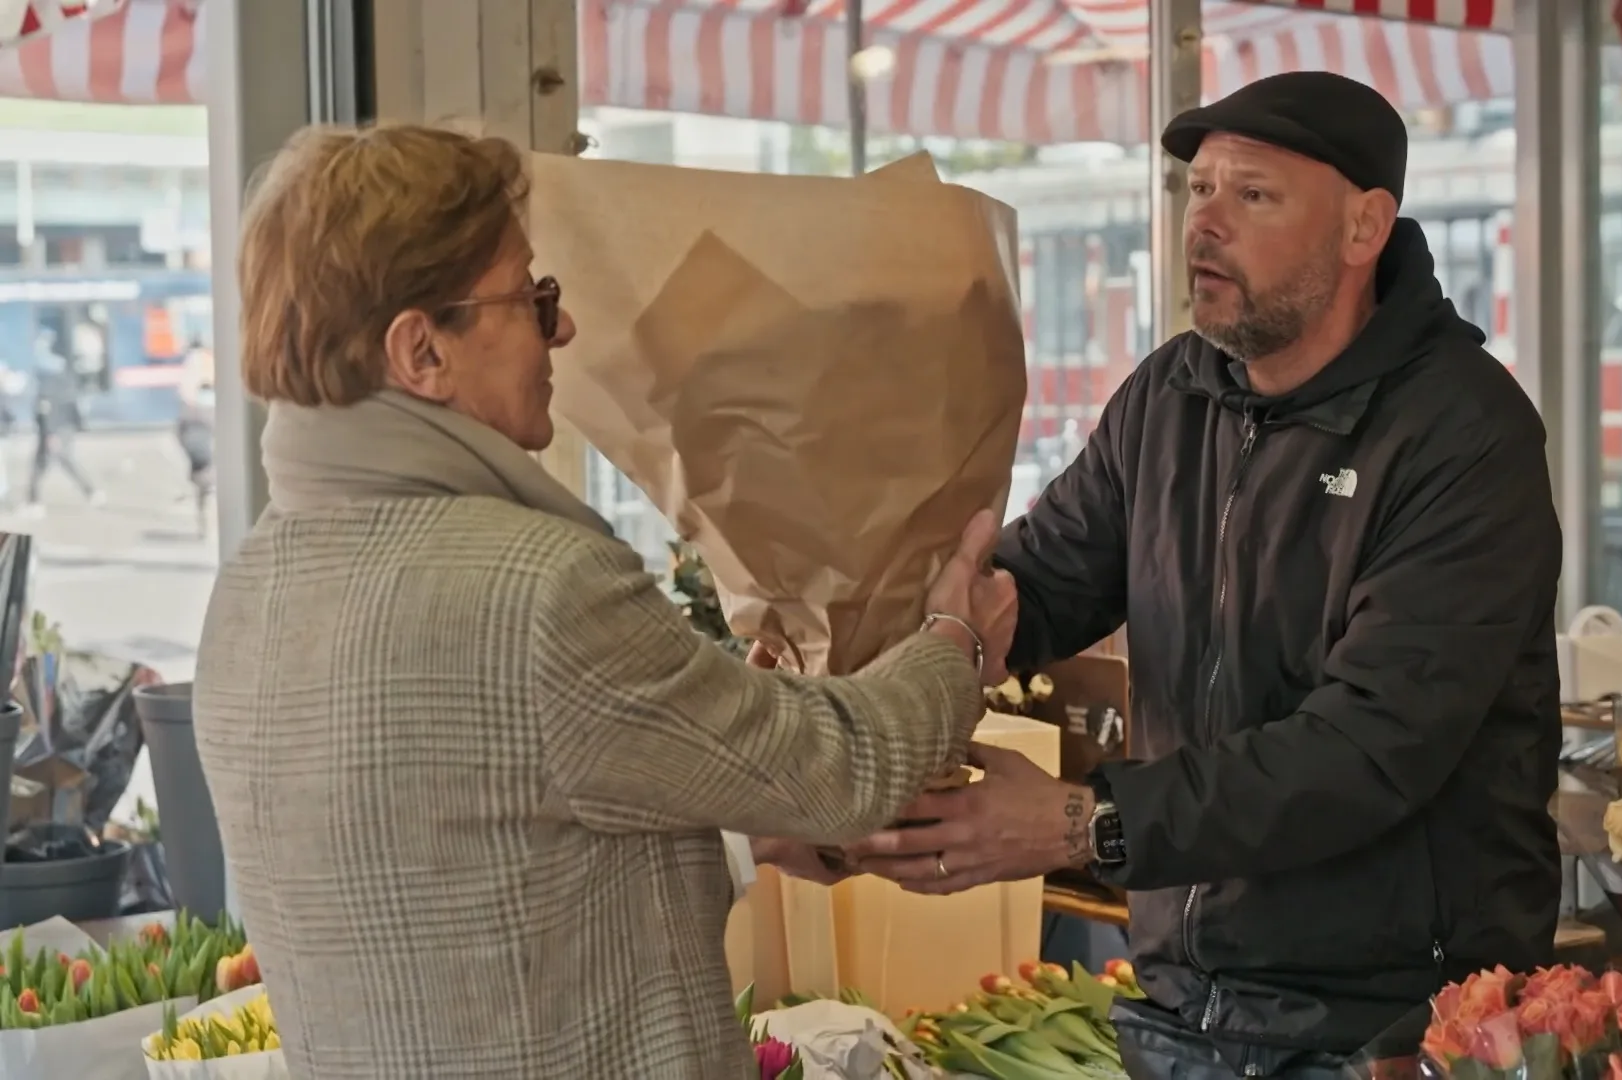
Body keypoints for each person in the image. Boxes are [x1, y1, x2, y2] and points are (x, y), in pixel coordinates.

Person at [191, 124, 1018, 1080]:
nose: (565, 330)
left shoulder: (246, 596)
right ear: (422, 350)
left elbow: (492, 881)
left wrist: (732, 797)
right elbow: (844, 768)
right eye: (531, 299)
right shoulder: (538, 590)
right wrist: (952, 635)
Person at [846, 72, 1563, 1077]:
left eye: (1253, 195)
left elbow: (1365, 751)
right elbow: (1040, 580)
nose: (1204, 224)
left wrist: (1081, 822)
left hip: (1398, 1026)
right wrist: (864, 670)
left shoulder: (1463, 436)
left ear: (1365, 228)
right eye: (1199, 190)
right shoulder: (1171, 395)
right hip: (1187, 1003)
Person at [26, 330, 98, 513]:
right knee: (57, 460)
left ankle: (34, 503)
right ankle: (90, 492)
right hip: (64, 427)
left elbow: (47, 408)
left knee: (49, 461)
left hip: (53, 429)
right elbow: (73, 404)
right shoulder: (66, 378)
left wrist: (50, 433)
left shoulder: (47, 382)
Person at [175, 337, 216, 536]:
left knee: (204, 484)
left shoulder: (194, 364)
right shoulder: (203, 362)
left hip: (199, 431)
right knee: (206, 483)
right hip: (203, 431)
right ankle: (207, 523)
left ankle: (205, 523)